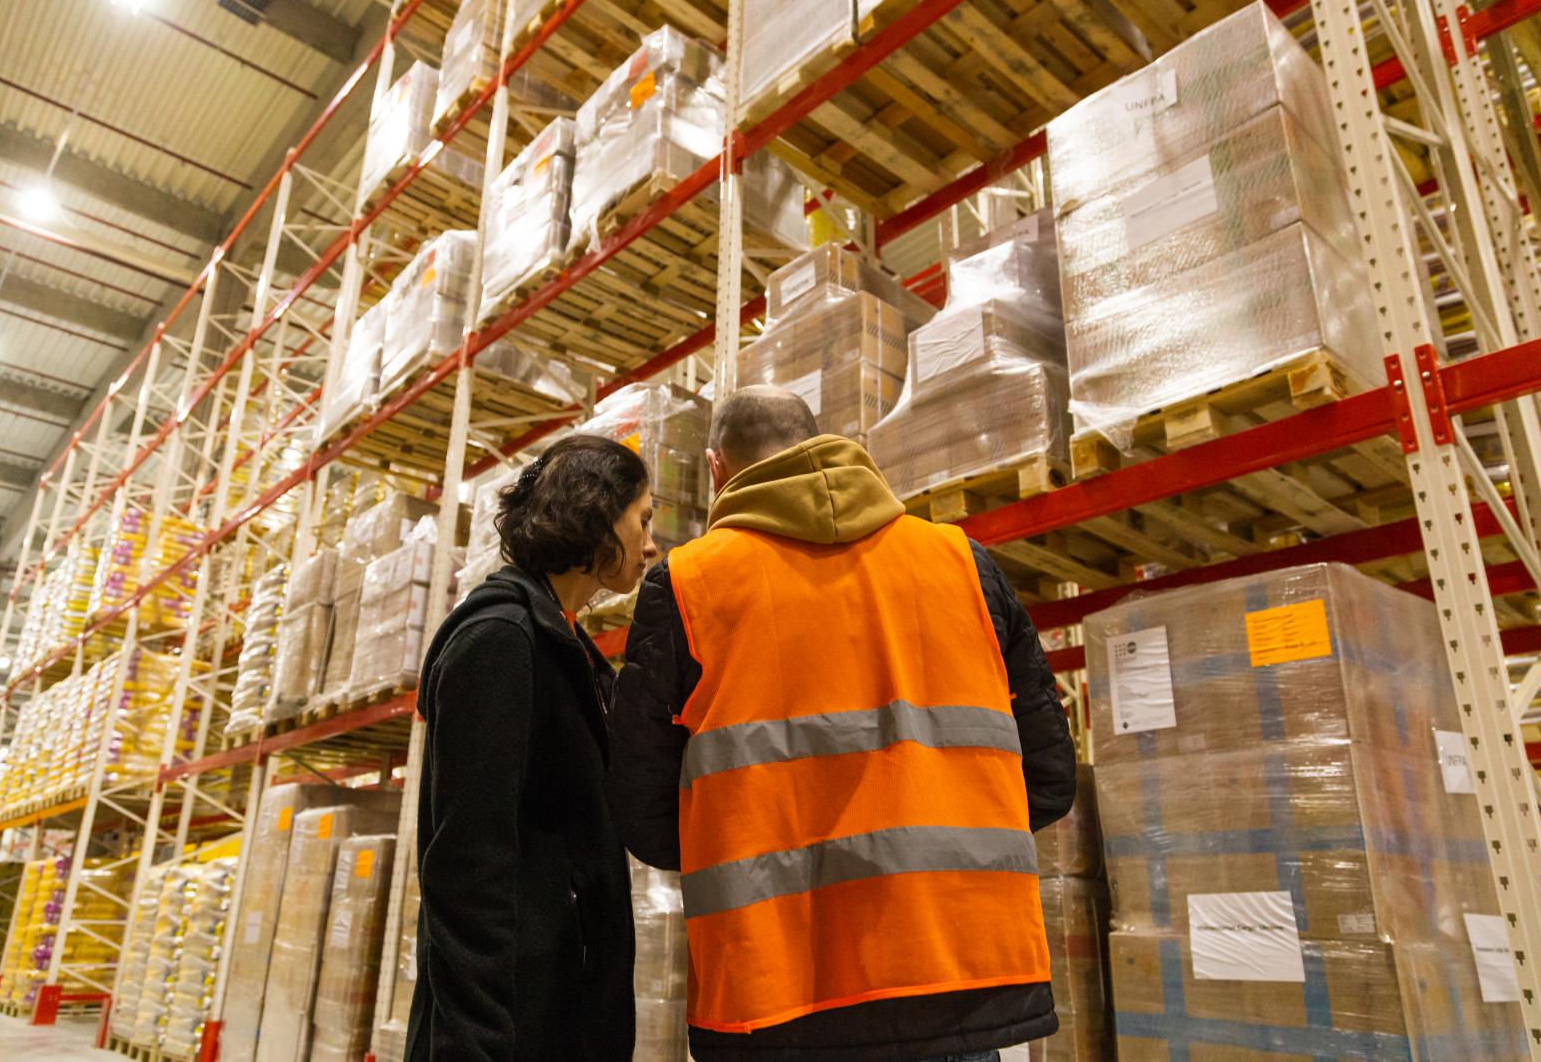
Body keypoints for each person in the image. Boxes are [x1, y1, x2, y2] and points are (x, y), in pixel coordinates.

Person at [608, 386, 1077, 1062]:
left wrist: (756, 848)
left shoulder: (687, 586)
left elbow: (642, 810)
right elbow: (1050, 778)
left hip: (779, 993)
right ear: (821, 446)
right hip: (959, 977)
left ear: (716, 469)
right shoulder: (963, 564)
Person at [406, 434, 658, 1061]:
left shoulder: (566, 646)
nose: (652, 544)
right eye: (645, 519)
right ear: (597, 514)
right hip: (513, 1029)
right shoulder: (500, 641)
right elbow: (467, 867)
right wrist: (477, 1044)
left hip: (559, 1015)